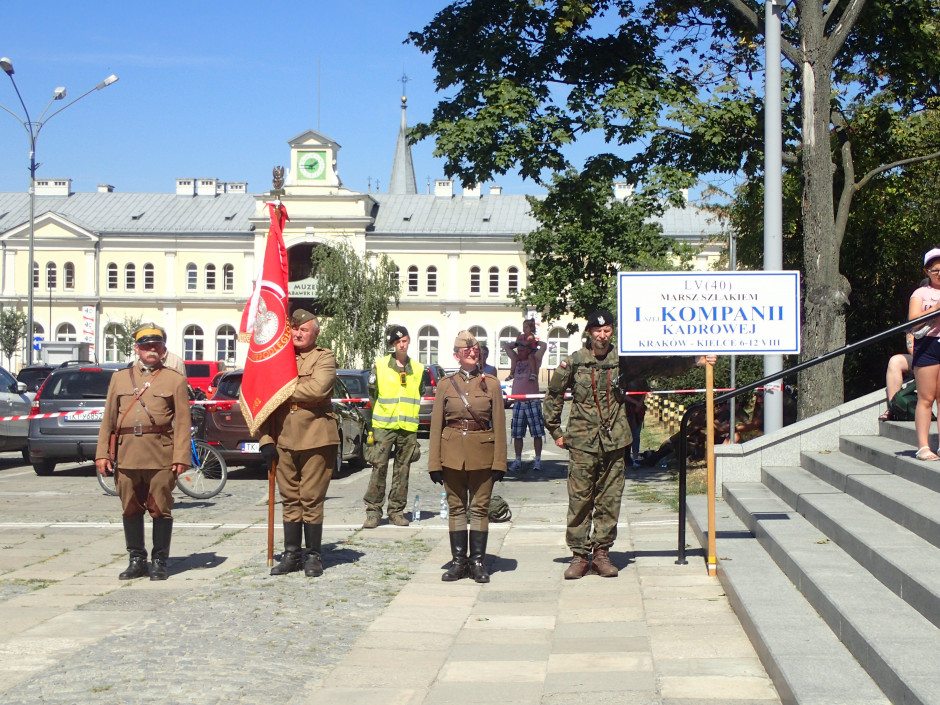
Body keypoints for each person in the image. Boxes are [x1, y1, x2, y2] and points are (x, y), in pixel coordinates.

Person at [543, 309, 716, 579]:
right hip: (582, 443)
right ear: (589, 332)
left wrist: (696, 360)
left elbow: (660, 366)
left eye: (607, 330)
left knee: (610, 500)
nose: (602, 335)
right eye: (598, 331)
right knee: (580, 500)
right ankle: (579, 556)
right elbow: (553, 395)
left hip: (615, 441)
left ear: (612, 331)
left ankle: (601, 553)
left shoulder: (623, 361)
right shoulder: (574, 362)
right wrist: (555, 431)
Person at [95, 324, 191, 581]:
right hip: (127, 455)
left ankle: (159, 560)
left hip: (161, 455)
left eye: (156, 346)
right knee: (130, 508)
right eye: (146, 346)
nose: (151, 350)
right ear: (137, 349)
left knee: (160, 508)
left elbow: (183, 422)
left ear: (163, 349)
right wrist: (102, 453)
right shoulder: (120, 378)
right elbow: (109, 419)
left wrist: (182, 456)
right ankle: (137, 559)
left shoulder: (175, 379)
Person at [259, 310, 339, 576]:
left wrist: (279, 388)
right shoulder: (276, 358)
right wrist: (264, 439)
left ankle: (313, 555)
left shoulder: (323, 356)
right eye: (294, 329)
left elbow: (319, 389)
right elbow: (258, 397)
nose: (298, 334)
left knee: (311, 498)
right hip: (281, 437)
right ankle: (292, 554)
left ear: (315, 333)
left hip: (316, 437)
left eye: (304, 330)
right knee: (290, 498)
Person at [428, 331, 507, 583]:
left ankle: (478, 562)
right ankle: (459, 561)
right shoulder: (445, 384)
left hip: (483, 451)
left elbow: (500, 425)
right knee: (456, 508)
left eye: (475, 351)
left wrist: (500, 461)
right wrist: (434, 462)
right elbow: (436, 425)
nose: (472, 354)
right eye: (466, 351)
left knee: (480, 509)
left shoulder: (492, 384)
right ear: (456, 355)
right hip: (451, 454)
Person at [362, 325, 422, 528]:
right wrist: (373, 425)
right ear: (392, 345)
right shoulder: (380, 366)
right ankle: (373, 511)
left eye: (404, 340)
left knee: (402, 470)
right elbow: (373, 395)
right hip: (384, 425)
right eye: (397, 342)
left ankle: (396, 510)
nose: (402, 345)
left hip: (407, 427)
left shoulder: (418, 368)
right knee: (379, 467)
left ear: (409, 340)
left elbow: (419, 393)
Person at [503, 324, 547, 472]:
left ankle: (538, 460)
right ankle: (517, 460)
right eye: (519, 350)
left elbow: (544, 346)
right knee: (517, 433)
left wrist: (532, 343)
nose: (519, 352)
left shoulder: (534, 359)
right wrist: (518, 343)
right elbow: (507, 347)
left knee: (536, 433)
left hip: (532, 401)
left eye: (522, 350)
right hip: (518, 402)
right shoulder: (516, 359)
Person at [909, 249, 940, 460]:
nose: (939, 272)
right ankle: (923, 446)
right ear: (927, 271)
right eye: (935, 269)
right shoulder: (920, 293)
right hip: (927, 345)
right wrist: (936, 308)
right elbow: (913, 321)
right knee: (926, 398)